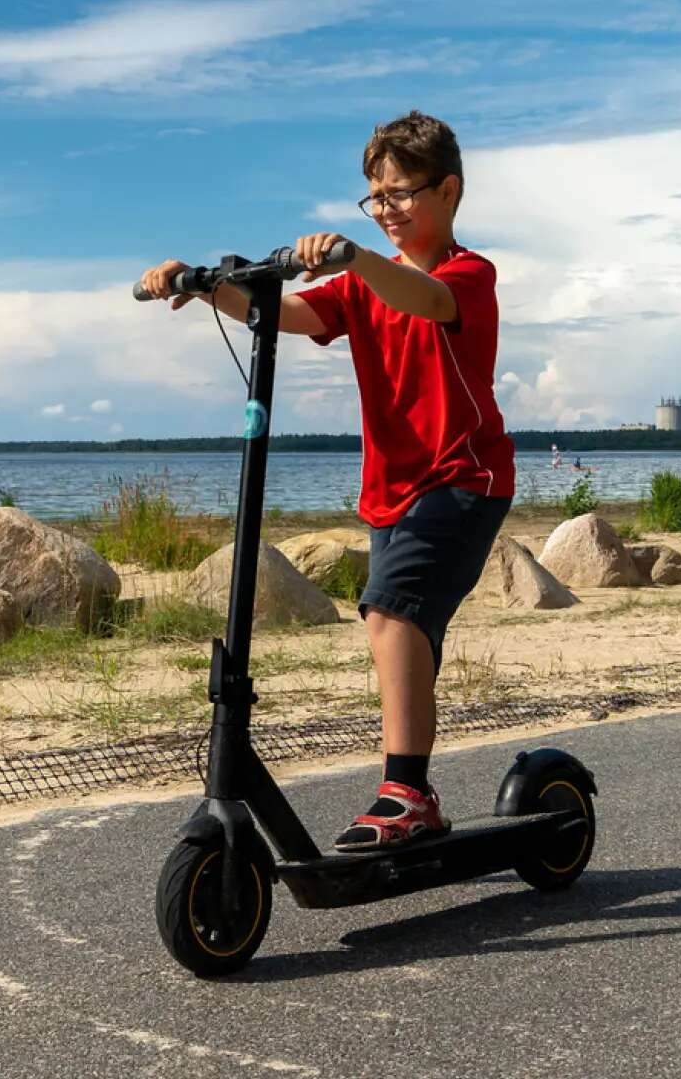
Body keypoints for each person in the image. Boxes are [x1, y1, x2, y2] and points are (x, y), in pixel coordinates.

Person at [139, 111, 514, 851]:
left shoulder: (466, 275)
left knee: (390, 613)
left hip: (464, 478)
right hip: (392, 489)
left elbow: (423, 300)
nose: (387, 210)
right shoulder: (360, 288)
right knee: (405, 633)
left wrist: (352, 258)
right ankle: (417, 794)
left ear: (449, 191)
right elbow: (283, 313)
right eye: (375, 198)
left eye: (401, 194)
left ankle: (405, 793)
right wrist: (204, 283)